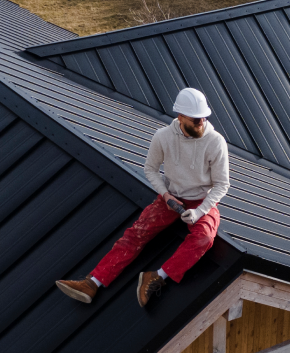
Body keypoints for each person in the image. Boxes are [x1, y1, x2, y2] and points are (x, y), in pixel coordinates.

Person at [55, 88, 229, 307]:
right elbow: (150, 170)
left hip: (201, 201)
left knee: (204, 238)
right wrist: (166, 196)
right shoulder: (163, 137)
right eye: (196, 119)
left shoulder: (215, 142)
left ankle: (157, 277)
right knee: (136, 234)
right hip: (170, 197)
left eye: (203, 118)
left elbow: (222, 185)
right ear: (180, 117)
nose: (201, 123)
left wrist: (200, 211)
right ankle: (92, 283)